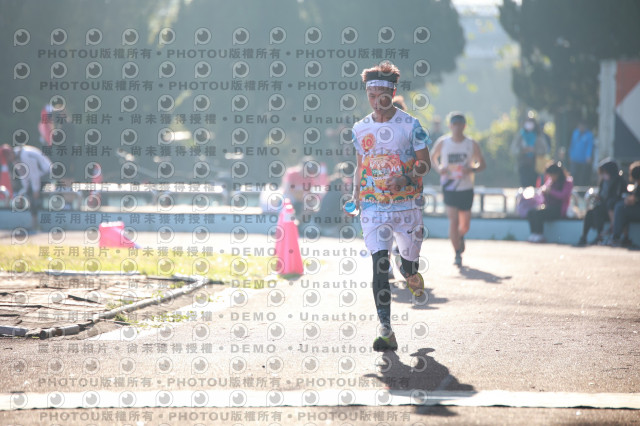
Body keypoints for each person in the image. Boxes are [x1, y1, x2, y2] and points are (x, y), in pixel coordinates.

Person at [351, 61, 431, 352]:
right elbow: (361, 166)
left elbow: (426, 164)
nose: (376, 101)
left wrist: (405, 177)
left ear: (392, 92)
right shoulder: (360, 128)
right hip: (373, 208)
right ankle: (386, 329)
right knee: (379, 265)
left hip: (407, 207)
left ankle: (410, 272)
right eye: (371, 96)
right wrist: (356, 194)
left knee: (409, 266)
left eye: (381, 95)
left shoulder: (411, 126)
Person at [430, 112, 486, 267]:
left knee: (465, 225)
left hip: (466, 187)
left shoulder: (471, 143)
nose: (457, 128)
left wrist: (471, 169)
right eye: (454, 125)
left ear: (464, 126)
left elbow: (482, 164)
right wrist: (440, 168)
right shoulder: (443, 142)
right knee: (453, 221)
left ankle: (460, 236)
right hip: (449, 186)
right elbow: (432, 158)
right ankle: (457, 253)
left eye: (460, 125)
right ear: (450, 126)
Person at [577, 159, 624, 246]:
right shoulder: (603, 181)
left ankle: (600, 236)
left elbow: (618, 197)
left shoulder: (619, 180)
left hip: (613, 209)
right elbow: (601, 196)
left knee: (598, 211)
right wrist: (597, 197)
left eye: (605, 171)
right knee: (590, 213)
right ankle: (584, 237)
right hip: (603, 207)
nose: (603, 174)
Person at [6, 144, 52, 232]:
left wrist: (35, 190)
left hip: (46, 172)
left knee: (33, 193)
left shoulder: (25, 155)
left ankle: (36, 224)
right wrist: (25, 190)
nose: (8, 160)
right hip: (37, 175)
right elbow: (23, 175)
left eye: (8, 157)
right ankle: (35, 222)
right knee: (29, 192)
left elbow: (34, 174)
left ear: (11, 153)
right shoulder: (15, 158)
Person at [526, 162, 573, 243]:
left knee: (539, 213)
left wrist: (551, 192)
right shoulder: (550, 181)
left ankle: (539, 234)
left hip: (559, 209)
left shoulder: (567, 182)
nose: (550, 177)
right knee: (531, 212)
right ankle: (534, 233)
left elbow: (563, 196)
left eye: (552, 175)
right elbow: (544, 189)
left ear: (557, 173)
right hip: (548, 206)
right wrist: (544, 191)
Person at [510, 116, 549, 188]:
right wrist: (522, 150)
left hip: (535, 165)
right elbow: (514, 149)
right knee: (524, 184)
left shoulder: (538, 135)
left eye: (531, 122)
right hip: (523, 164)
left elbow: (544, 149)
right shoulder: (520, 135)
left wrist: (534, 150)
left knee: (533, 185)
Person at [609, 161, 640, 247]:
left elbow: (634, 200)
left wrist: (629, 200)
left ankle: (616, 237)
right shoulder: (638, 184)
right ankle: (625, 238)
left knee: (620, 208)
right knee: (622, 208)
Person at [569, 121, 595, 186]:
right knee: (574, 174)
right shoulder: (575, 133)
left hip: (583, 160)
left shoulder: (589, 135)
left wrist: (588, 156)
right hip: (575, 158)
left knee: (582, 175)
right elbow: (572, 144)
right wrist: (571, 155)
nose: (580, 128)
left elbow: (589, 146)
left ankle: (581, 188)